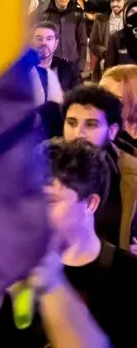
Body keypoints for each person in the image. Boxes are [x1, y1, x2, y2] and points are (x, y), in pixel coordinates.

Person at [59, 84, 134, 249]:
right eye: (71, 123)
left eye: (91, 125)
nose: (79, 133)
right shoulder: (40, 166)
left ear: (112, 131)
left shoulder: (130, 176)